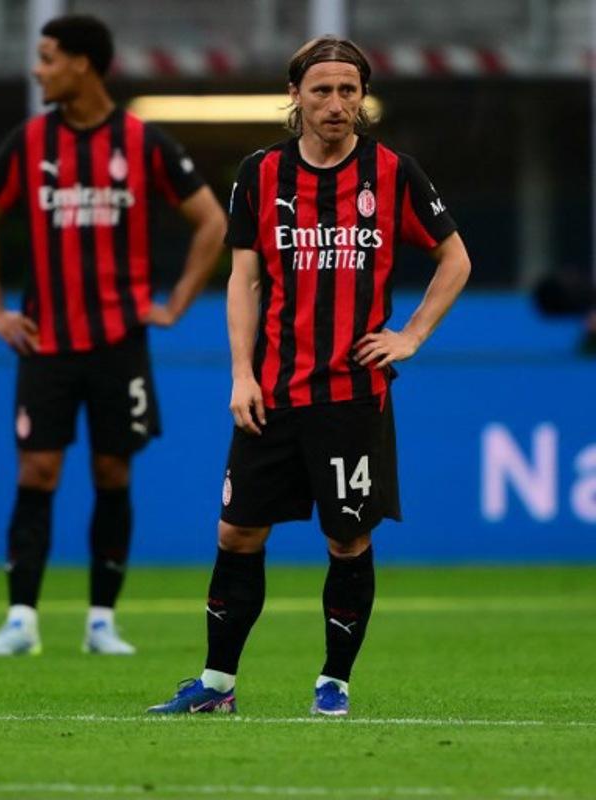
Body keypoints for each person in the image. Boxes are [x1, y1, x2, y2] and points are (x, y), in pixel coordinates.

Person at [147, 36, 470, 716]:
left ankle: (334, 683)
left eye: (348, 90)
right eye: (321, 90)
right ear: (295, 95)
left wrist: (411, 335)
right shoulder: (261, 173)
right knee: (237, 533)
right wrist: (241, 374)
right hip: (272, 391)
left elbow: (455, 258)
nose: (335, 103)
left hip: (352, 395)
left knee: (347, 539)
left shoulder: (393, 173)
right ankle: (217, 684)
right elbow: (244, 279)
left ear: (363, 97)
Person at [0, 14, 226, 656]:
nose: (38, 70)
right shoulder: (29, 143)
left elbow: (212, 222)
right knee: (38, 469)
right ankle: (21, 620)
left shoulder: (144, 143)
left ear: (81, 63)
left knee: (112, 471)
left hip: (119, 342)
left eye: (48, 57)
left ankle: (101, 621)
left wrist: (177, 304)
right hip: (45, 342)